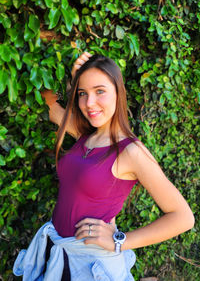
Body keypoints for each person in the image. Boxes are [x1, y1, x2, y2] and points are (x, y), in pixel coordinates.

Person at [13, 52, 194, 281]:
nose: (89, 103)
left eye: (100, 91)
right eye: (82, 94)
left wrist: (119, 241)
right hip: (59, 253)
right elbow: (47, 103)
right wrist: (71, 80)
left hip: (89, 265)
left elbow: (183, 217)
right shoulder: (85, 136)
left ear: (118, 93)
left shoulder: (131, 152)